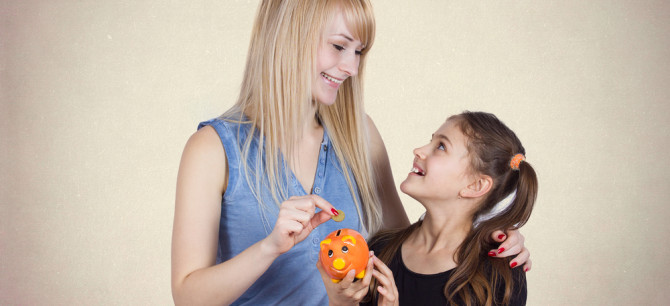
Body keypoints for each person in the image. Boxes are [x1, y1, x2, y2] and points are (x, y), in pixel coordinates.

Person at [171, 1, 530, 305]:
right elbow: (187, 294)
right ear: (289, 38)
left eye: (359, 52)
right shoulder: (213, 149)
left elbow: (405, 250)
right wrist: (269, 248)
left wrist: (483, 242)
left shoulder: (359, 135)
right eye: (339, 46)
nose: (352, 68)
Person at [323, 111, 537, 305]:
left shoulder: (499, 276)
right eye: (431, 141)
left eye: (441, 146)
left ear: (475, 185)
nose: (419, 151)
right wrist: (340, 303)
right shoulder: (379, 250)